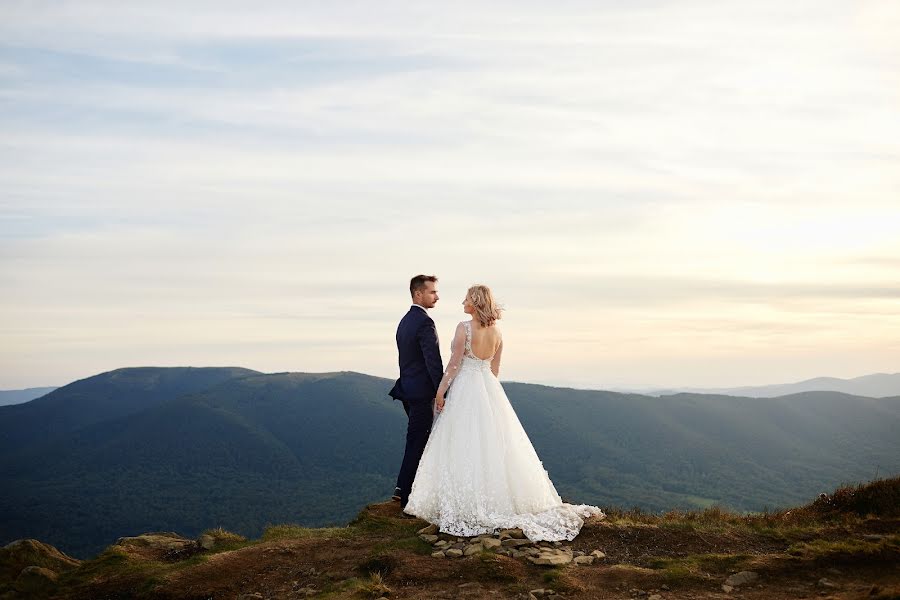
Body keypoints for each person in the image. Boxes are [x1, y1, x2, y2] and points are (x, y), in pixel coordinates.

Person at [403, 284, 604, 540]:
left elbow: (453, 365)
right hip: (488, 389)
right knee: (494, 445)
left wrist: (441, 392)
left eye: (466, 298)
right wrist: (487, 393)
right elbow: (494, 371)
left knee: (463, 443)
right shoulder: (497, 333)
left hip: (465, 387)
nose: (462, 302)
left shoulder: (463, 328)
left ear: (474, 303)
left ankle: (466, 502)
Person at [389, 274, 444, 509]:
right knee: (418, 442)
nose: (437, 296)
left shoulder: (404, 321)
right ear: (418, 294)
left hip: (408, 391)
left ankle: (406, 489)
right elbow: (433, 362)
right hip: (422, 394)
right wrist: (442, 392)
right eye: (432, 292)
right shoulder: (425, 322)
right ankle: (405, 495)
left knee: (416, 440)